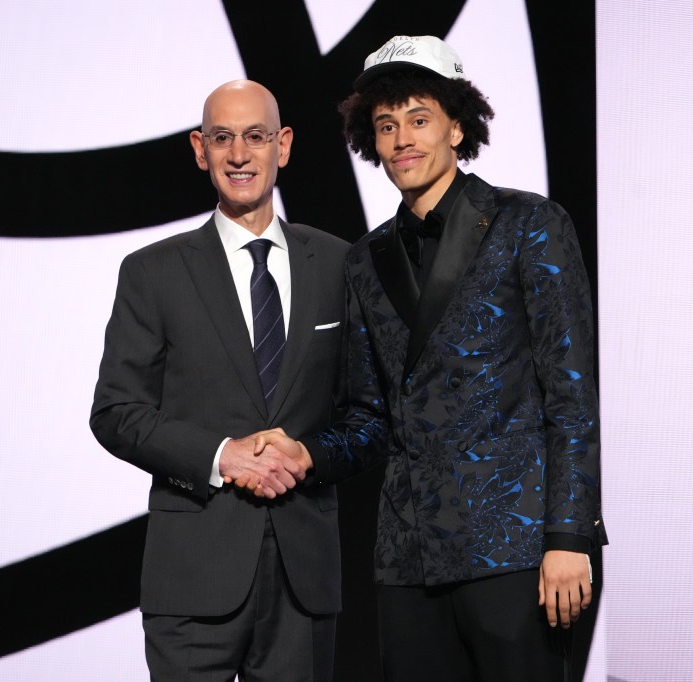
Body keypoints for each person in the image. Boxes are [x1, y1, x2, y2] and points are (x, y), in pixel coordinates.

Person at [246, 36, 607, 681]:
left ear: (456, 125)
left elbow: (571, 393)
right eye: (386, 125)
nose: (402, 139)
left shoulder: (529, 224)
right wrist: (310, 454)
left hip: (517, 548)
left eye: (419, 119)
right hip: (408, 558)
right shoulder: (365, 259)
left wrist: (569, 537)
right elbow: (368, 416)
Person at [89, 79, 349, 682]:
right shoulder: (153, 272)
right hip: (191, 580)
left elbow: (366, 411)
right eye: (222, 138)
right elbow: (115, 411)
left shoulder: (340, 264)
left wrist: (307, 455)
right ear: (199, 149)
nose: (239, 154)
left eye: (255, 136)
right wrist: (221, 456)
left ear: (282, 146)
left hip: (302, 579)